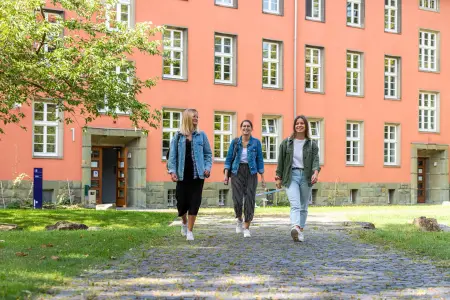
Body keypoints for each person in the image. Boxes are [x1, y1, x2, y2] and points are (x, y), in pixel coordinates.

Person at [167, 109, 212, 241]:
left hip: (197, 175)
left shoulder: (201, 135)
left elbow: (208, 154)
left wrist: (207, 168)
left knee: (194, 202)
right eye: (194, 117)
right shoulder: (178, 136)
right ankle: (184, 222)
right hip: (182, 175)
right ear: (187, 118)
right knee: (181, 203)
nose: (196, 119)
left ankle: (190, 231)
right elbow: (172, 156)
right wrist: (172, 171)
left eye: (197, 117)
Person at [275, 115, 320, 242]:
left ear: (306, 126)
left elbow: (316, 160)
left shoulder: (312, 144)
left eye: (302, 123)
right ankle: (295, 227)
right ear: (294, 126)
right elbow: (281, 161)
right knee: (295, 204)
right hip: (291, 176)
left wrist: (315, 173)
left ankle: (300, 230)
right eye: (297, 123)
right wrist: (278, 177)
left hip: (306, 176)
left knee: (303, 206)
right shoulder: (286, 143)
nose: (299, 125)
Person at [223, 120, 266, 238]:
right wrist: (226, 174)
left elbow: (260, 160)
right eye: (244, 126)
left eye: (248, 126)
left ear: (251, 129)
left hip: (251, 172)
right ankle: (239, 219)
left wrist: (262, 177)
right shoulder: (235, 142)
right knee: (237, 199)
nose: (246, 128)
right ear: (241, 128)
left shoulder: (256, 143)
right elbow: (228, 159)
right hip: (236, 171)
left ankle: (246, 227)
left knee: (249, 199)